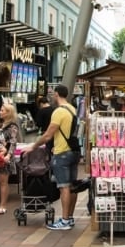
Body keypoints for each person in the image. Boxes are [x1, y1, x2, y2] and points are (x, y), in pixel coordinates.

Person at [20, 84, 80, 230]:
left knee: (64, 186)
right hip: (74, 151)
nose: (53, 96)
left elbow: (48, 134)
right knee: (72, 186)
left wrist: (32, 147)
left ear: (57, 94)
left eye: (54, 94)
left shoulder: (59, 111)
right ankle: (70, 218)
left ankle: (64, 220)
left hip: (62, 153)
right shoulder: (73, 109)